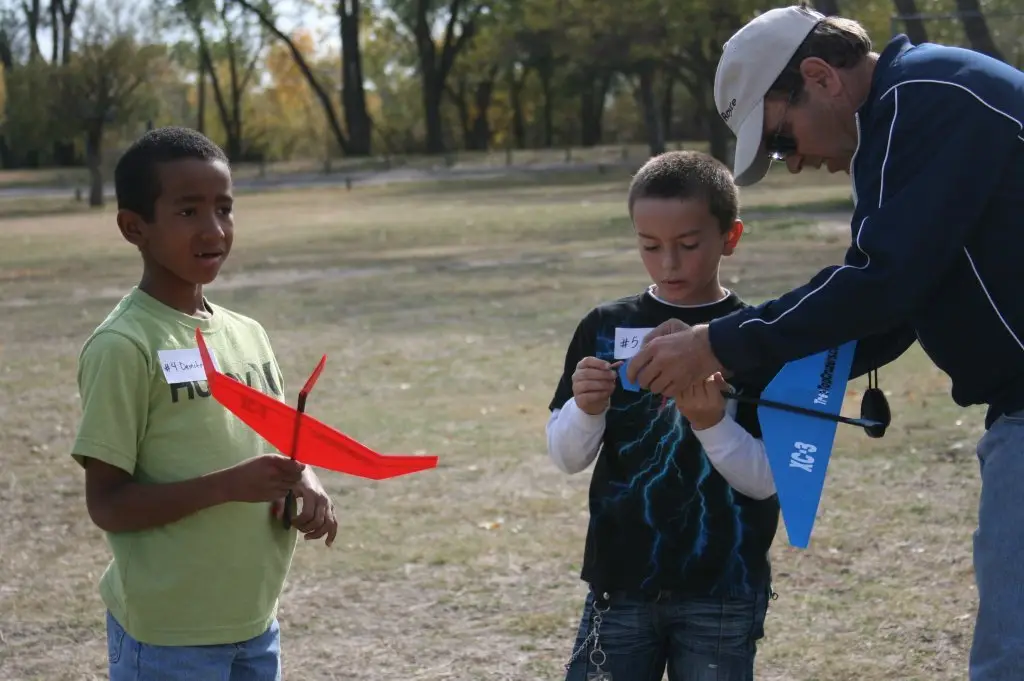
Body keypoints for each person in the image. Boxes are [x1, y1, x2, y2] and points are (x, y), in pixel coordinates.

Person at [625, 6, 1024, 681]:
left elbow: (884, 282)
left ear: (819, 77)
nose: (795, 164)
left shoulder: (928, 99)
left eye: (782, 140)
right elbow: (899, 304)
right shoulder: (907, 113)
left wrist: (718, 342)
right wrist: (743, 371)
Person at [70, 126, 339, 681]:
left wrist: (305, 481)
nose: (213, 229)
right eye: (188, 211)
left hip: (254, 621)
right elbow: (109, 505)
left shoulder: (248, 334)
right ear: (134, 227)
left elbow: (276, 446)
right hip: (170, 637)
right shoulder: (124, 346)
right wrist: (227, 487)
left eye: (224, 208)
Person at [547, 150, 781, 681]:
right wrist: (586, 409)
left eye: (688, 245)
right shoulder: (604, 327)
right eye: (649, 246)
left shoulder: (756, 337)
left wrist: (712, 423)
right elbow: (566, 457)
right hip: (619, 584)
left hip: (723, 589)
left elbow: (768, 480)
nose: (669, 264)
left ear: (730, 237)